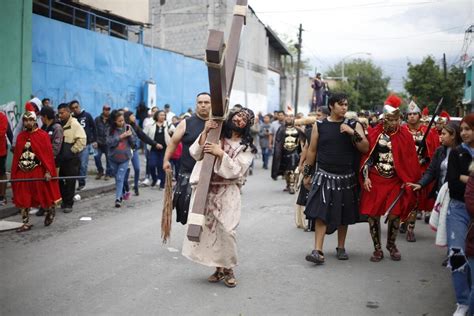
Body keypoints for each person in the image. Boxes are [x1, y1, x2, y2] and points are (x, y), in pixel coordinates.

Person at [182, 107, 256, 288]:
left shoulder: (247, 148)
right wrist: (206, 131)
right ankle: (218, 269)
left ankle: (229, 268)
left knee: (227, 230)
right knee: (211, 230)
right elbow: (196, 153)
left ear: (247, 125)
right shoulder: (216, 136)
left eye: (244, 118)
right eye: (238, 115)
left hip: (228, 190)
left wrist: (220, 153)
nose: (239, 119)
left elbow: (237, 170)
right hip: (206, 188)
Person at [302, 93, 369, 264]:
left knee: (343, 213)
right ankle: (318, 250)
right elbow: (312, 151)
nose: (345, 108)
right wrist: (307, 173)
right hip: (323, 174)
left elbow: (365, 147)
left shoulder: (354, 124)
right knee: (320, 213)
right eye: (341, 104)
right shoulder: (320, 125)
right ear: (331, 106)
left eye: (346, 104)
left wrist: (352, 132)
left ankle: (341, 247)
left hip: (346, 176)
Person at [359, 95, 421, 262]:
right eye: (390, 119)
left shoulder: (405, 135)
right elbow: (367, 158)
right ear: (384, 118)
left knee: (395, 214)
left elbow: (409, 161)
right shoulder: (374, 134)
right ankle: (377, 249)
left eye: (396, 119)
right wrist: (366, 177)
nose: (394, 123)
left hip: (395, 180)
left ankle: (391, 245)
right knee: (373, 216)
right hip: (375, 178)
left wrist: (408, 179)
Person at [163, 92, 211, 225]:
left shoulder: (218, 125)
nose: (202, 105)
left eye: (206, 102)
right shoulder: (186, 123)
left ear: (212, 105)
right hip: (187, 173)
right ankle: (191, 241)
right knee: (187, 211)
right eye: (200, 102)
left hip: (210, 175)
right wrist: (166, 160)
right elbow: (173, 143)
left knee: (208, 213)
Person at [11, 111, 61, 232]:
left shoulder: (42, 135)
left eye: (30, 120)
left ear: (35, 120)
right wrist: (15, 173)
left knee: (42, 195)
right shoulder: (20, 136)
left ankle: (50, 210)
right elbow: (17, 156)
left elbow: (47, 156)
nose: (28, 122)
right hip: (23, 172)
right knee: (23, 197)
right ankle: (25, 223)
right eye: (25, 120)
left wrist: (48, 171)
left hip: (38, 171)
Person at [444, 114, 474, 316]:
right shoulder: (456, 153)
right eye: (461, 129)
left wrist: (466, 177)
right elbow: (452, 181)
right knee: (457, 253)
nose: (463, 133)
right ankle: (462, 302)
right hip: (458, 209)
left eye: (468, 129)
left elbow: (460, 178)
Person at [401, 100, 440, 241]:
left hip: (420, 170)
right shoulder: (402, 130)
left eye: (414, 114)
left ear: (419, 115)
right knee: (402, 198)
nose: (411, 116)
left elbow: (434, 152)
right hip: (403, 169)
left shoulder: (428, 131)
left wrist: (424, 158)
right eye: (409, 114)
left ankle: (411, 228)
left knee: (414, 198)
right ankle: (403, 220)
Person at [57, 103, 86, 213]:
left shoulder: (75, 124)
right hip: (60, 159)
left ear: (68, 112)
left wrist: (72, 151)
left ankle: (69, 204)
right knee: (60, 181)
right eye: (59, 113)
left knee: (70, 182)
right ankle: (64, 200)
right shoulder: (59, 124)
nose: (60, 115)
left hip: (71, 159)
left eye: (62, 113)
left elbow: (82, 140)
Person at [124, 111, 160, 195]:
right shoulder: (124, 126)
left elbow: (144, 137)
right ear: (128, 117)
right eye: (132, 116)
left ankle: (136, 186)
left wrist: (154, 144)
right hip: (125, 151)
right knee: (126, 170)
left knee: (137, 169)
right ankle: (125, 186)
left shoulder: (136, 127)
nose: (134, 117)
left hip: (134, 150)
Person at [106, 110, 136, 207]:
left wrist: (130, 135)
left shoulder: (128, 127)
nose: (122, 123)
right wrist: (121, 136)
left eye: (123, 120)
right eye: (119, 121)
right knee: (117, 177)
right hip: (113, 158)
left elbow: (134, 143)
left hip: (125, 158)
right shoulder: (110, 129)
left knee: (120, 177)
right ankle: (122, 193)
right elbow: (109, 143)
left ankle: (117, 199)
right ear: (115, 121)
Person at [271, 115, 304, 193]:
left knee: (292, 170)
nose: (289, 118)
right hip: (284, 153)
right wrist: (278, 154)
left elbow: (303, 141)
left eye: (291, 116)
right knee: (286, 171)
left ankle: (292, 186)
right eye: (287, 116)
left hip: (295, 153)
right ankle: (288, 184)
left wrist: (302, 152)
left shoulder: (298, 130)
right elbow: (278, 143)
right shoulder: (281, 129)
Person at [69, 100, 96, 191]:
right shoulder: (71, 118)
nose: (75, 109)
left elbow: (94, 127)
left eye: (77, 107)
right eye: (73, 108)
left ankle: (81, 183)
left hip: (85, 145)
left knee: (83, 164)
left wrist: (94, 140)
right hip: (74, 145)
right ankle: (74, 181)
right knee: (75, 164)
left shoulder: (87, 115)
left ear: (79, 106)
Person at [144, 110, 170, 189]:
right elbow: (144, 135)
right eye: (161, 115)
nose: (163, 117)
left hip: (165, 149)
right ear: (157, 116)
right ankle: (154, 179)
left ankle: (162, 184)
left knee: (162, 166)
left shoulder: (168, 124)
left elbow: (175, 132)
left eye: (164, 115)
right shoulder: (150, 125)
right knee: (151, 165)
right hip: (153, 149)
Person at [94, 105, 113, 181]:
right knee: (96, 157)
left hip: (108, 144)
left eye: (108, 109)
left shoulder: (111, 120)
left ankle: (107, 174)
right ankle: (100, 171)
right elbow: (94, 130)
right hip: (99, 143)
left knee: (109, 159)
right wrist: (94, 141)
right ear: (103, 110)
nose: (107, 111)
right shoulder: (97, 119)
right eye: (105, 109)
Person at [0, 111, 13, 205]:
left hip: (1, 151)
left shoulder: (2, 117)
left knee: (1, 172)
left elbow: (2, 132)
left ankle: (2, 196)